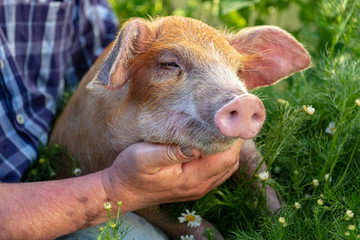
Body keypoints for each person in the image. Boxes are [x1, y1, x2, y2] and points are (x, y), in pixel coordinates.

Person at [0, 1, 242, 239]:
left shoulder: (79, 6)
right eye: (170, 64)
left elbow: (103, 61)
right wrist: (114, 189)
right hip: (50, 198)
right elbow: (111, 73)